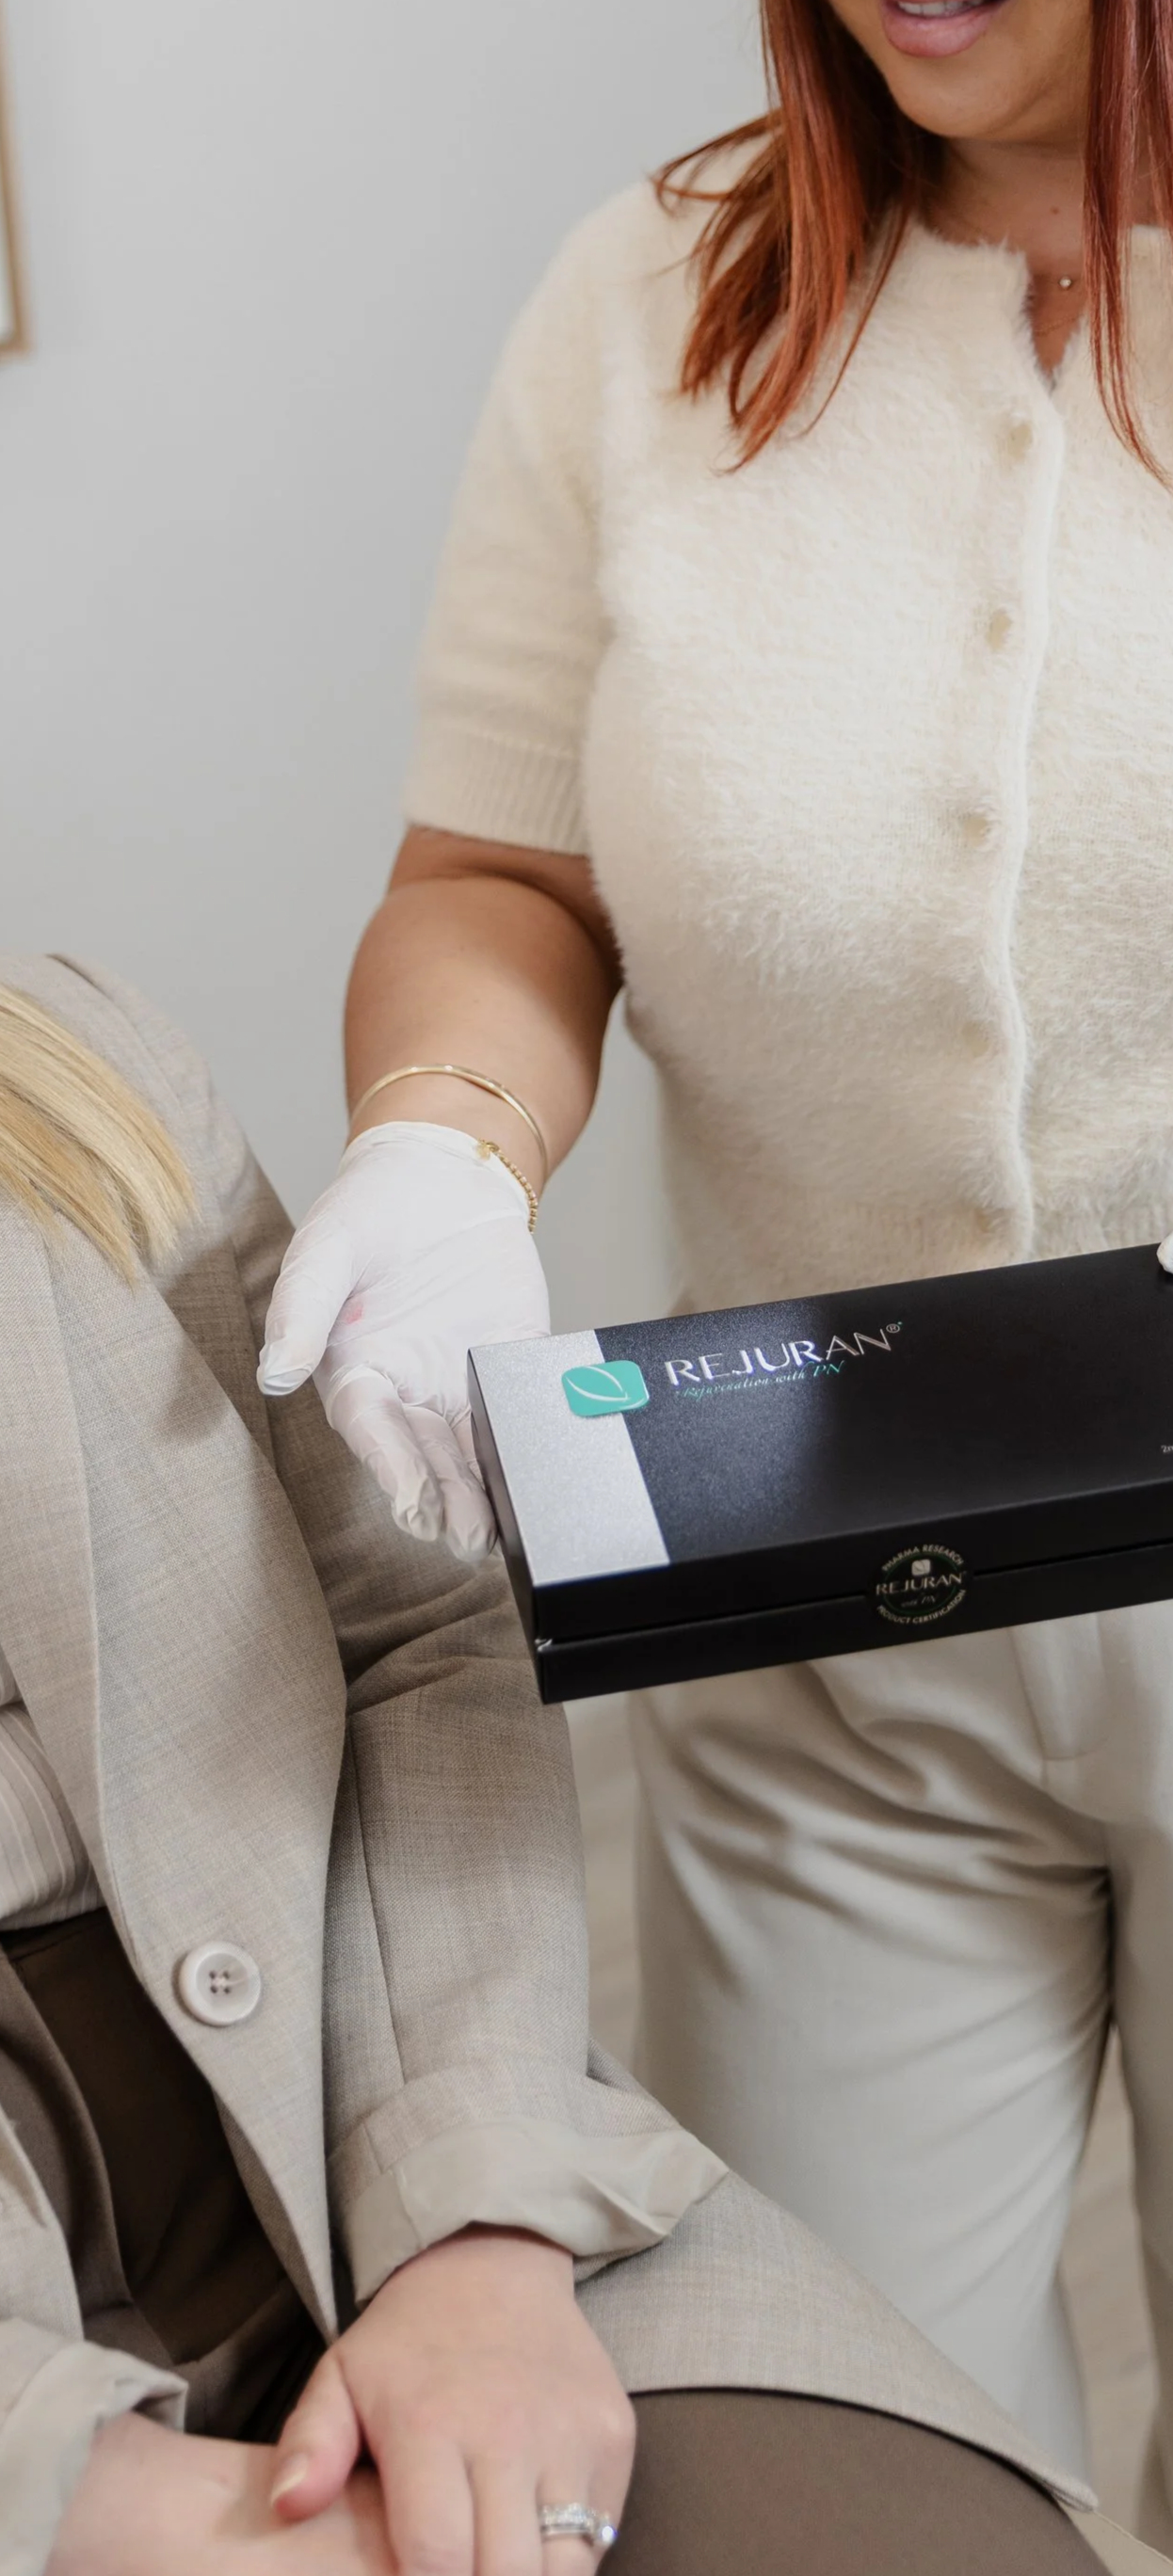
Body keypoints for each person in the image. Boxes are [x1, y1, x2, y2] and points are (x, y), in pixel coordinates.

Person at [0, 253, 1109, 2576]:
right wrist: (48, 2490)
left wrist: (468, 2222)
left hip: (343, 2115)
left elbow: (419, 1642)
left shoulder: (60, 1081)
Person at [259, 0, 1173, 2535]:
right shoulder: (660, 306)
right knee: (854, 2485)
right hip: (829, 1655)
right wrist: (444, 1150)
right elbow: (502, 880)